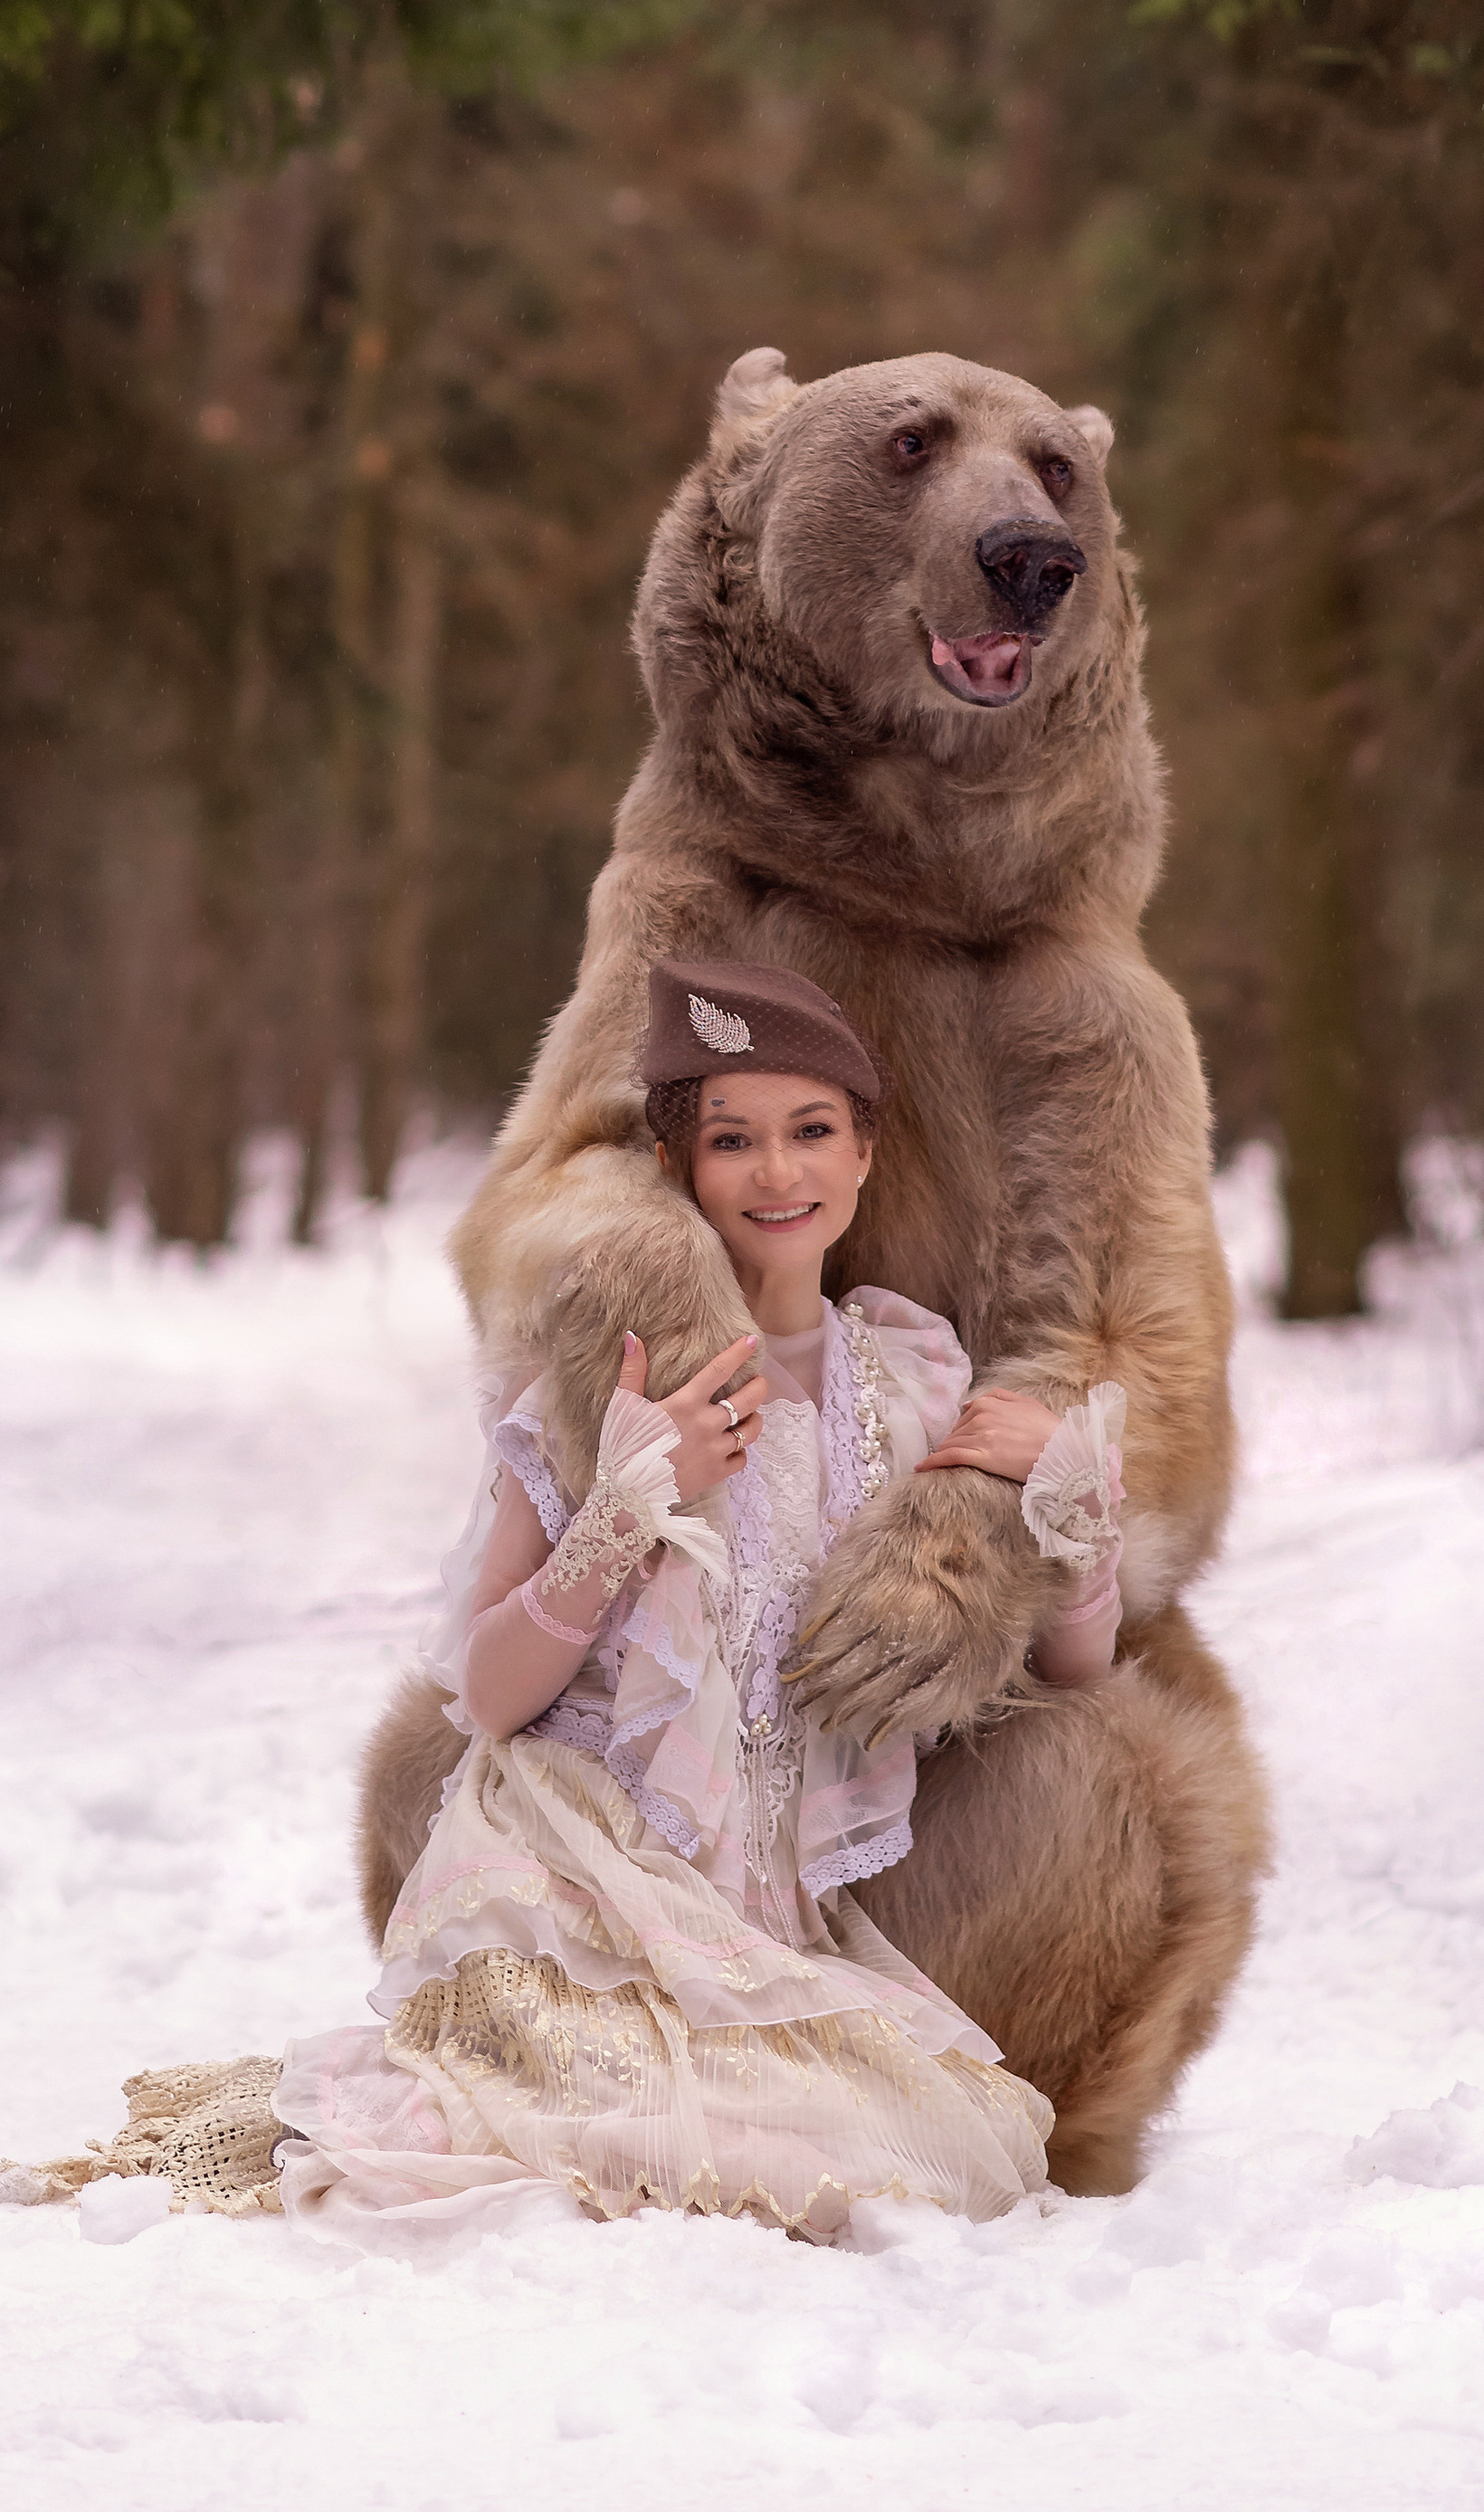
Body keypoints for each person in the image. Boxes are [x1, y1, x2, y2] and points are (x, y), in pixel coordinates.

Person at [271, 958, 1129, 2242]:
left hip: (769, 1919)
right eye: (734, 1142)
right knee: (593, 2140)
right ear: (683, 1169)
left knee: (937, 2149)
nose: (778, 1175)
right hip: (568, 1872)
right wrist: (625, 1509)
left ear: (865, 1152)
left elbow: (1073, 1666)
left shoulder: (909, 1382)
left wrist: (1075, 1514)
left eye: (811, 1133)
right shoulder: (615, 1369)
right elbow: (491, 1694)